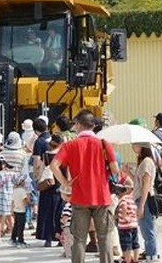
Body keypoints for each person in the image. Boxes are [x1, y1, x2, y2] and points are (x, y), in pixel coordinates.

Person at [51, 109, 119, 263]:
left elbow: (54, 165)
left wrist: (65, 183)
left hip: (79, 197)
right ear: (93, 126)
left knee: (79, 239)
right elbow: (115, 169)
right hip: (102, 197)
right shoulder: (103, 143)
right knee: (105, 237)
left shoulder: (70, 145)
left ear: (78, 125)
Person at [122, 143, 158, 263]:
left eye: (135, 145)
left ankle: (151, 256)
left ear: (142, 146)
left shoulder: (147, 162)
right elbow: (138, 184)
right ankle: (150, 255)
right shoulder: (144, 161)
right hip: (142, 198)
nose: (133, 147)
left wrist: (141, 206)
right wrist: (129, 173)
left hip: (145, 199)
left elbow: (146, 185)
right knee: (145, 229)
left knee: (148, 230)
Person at [34, 133, 65, 247]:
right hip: (59, 186)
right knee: (59, 213)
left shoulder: (45, 155)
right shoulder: (63, 155)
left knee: (47, 213)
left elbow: (40, 169)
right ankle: (61, 237)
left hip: (47, 187)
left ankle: (48, 238)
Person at [0, 154, 16, 244]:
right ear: (5, 164)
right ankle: (14, 236)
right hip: (10, 198)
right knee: (10, 217)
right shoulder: (12, 174)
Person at [116, 177, 140, 263]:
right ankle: (136, 259)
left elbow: (123, 206)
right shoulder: (132, 199)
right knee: (135, 243)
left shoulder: (123, 199)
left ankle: (127, 260)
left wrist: (124, 216)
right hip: (134, 225)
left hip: (125, 227)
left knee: (126, 245)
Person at [11, 175, 30, 248]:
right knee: (21, 227)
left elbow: (12, 201)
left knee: (16, 225)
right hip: (22, 211)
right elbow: (25, 201)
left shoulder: (14, 190)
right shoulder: (22, 191)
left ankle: (13, 238)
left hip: (16, 210)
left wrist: (11, 210)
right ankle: (20, 240)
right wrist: (28, 201)